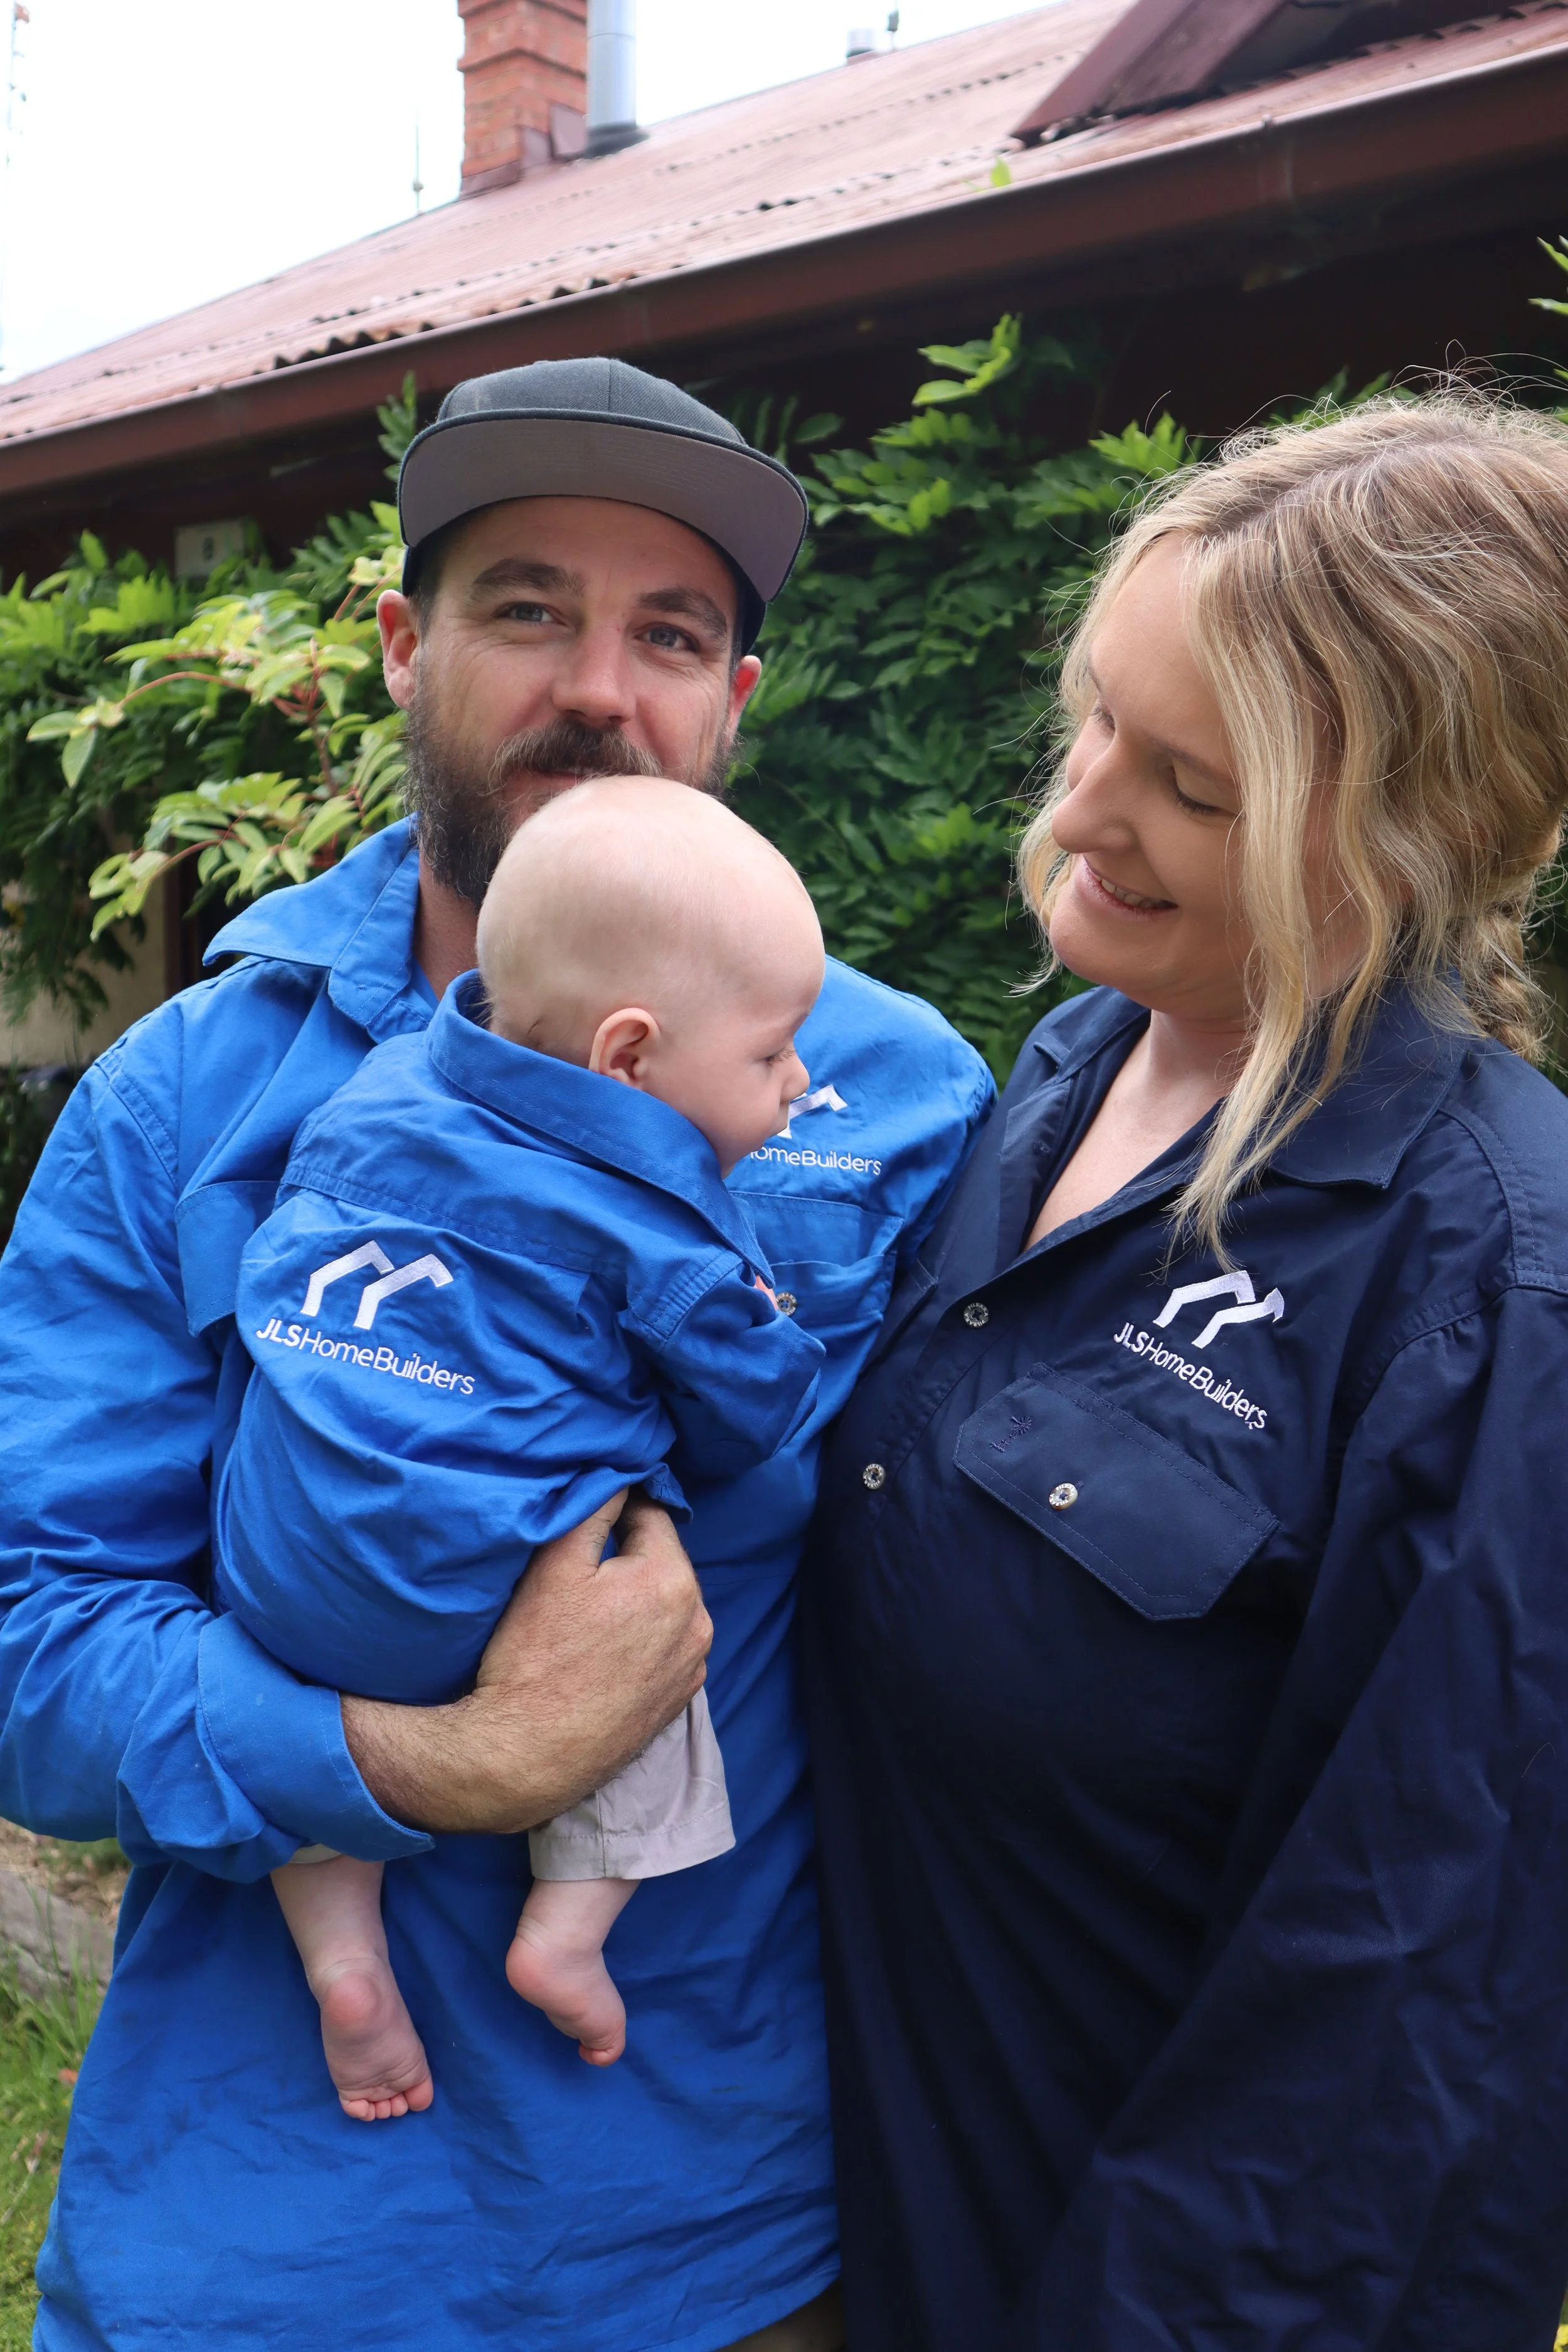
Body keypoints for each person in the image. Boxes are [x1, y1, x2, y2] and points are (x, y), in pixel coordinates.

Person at [0, 358, 994, 2352]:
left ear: (738, 696)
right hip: (270, 2232)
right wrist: (441, 1759)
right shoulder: (185, 1094)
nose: (598, 688)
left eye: (673, 633)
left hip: (728, 2221)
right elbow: (32, 1635)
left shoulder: (891, 1087)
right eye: (527, 606)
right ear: (401, 644)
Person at [802, 393, 1568, 2351]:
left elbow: (1408, 2041)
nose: (1077, 808)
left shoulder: (1488, 1279)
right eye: (1091, 723)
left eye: (1193, 789)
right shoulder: (1065, 1062)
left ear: (1426, 832)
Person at [227, 780, 825, 2112]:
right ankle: (567, 1932)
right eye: (774, 1055)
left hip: (276, 1575)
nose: (797, 1087)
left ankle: (341, 1953)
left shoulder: (382, 1083)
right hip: (479, 1602)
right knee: (649, 1657)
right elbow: (750, 1419)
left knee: (300, 1681)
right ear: (626, 1056)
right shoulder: (660, 1236)